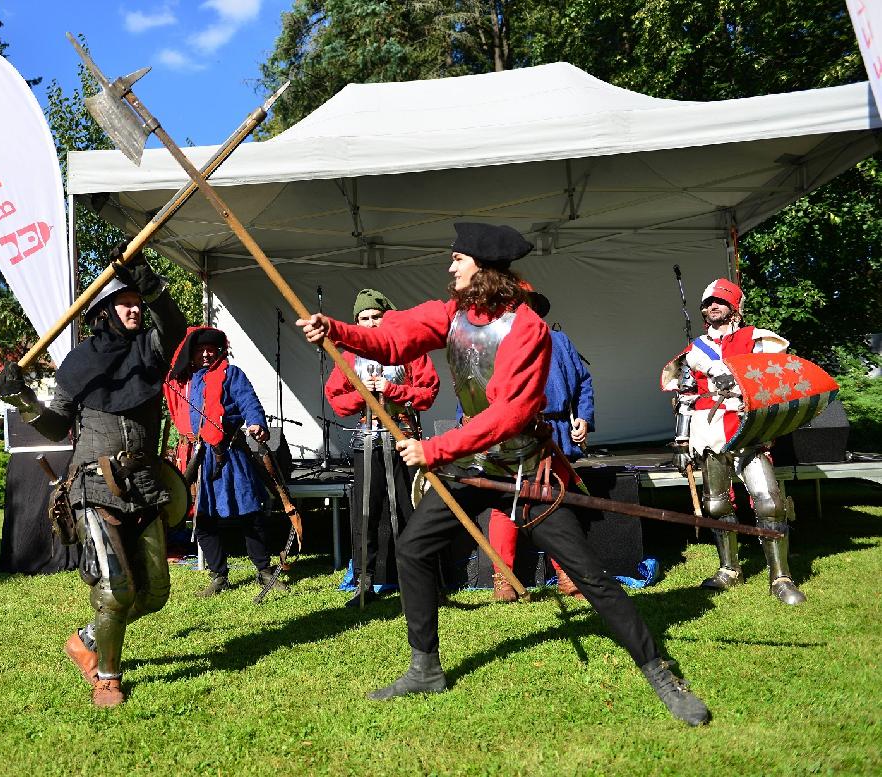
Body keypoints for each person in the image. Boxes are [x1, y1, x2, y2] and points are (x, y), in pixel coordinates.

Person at [298, 223, 710, 726]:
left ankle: (658, 670)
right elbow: (391, 339)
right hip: (472, 464)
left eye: (456, 258)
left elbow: (510, 415)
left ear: (483, 266)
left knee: (588, 575)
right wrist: (336, 331)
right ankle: (425, 667)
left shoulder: (527, 329)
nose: (449, 267)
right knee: (414, 548)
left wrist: (435, 448)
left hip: (523, 468)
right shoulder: (453, 313)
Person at [0, 255, 186, 708]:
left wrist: (150, 284)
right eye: (125, 303)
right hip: (93, 485)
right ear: (104, 312)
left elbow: (174, 326)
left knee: (155, 592)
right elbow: (54, 424)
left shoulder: (151, 352)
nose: (134, 309)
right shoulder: (77, 364)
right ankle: (107, 677)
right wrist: (21, 397)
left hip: (144, 481)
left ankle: (85, 639)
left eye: (138, 302)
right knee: (115, 589)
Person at [662, 278, 804, 605]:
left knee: (769, 501)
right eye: (707, 302)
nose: (713, 306)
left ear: (734, 307)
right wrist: (682, 443)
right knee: (717, 503)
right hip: (709, 432)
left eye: (720, 301)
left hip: (748, 429)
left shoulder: (756, 340)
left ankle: (780, 577)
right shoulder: (694, 349)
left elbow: (777, 380)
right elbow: (685, 398)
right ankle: (729, 569)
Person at [324, 288, 439, 607]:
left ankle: (421, 582)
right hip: (368, 440)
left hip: (404, 440)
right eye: (365, 318)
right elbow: (336, 398)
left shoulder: (410, 349)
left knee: (411, 511)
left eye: (377, 316)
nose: (372, 323)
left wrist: (393, 389)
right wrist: (363, 394)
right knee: (366, 513)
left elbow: (427, 392)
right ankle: (365, 582)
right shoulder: (349, 354)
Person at [487, 286, 594, 602]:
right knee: (505, 504)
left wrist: (584, 417)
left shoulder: (559, 341)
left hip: (554, 430)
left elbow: (583, 382)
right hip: (509, 432)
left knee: (556, 500)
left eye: (523, 305)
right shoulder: (490, 345)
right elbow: (472, 390)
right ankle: (503, 578)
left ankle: (567, 574)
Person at [164, 326, 283, 597]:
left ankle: (264, 572)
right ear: (191, 353)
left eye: (211, 349)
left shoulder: (232, 374)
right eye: (200, 349)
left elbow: (248, 402)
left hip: (230, 453)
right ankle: (219, 576)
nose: (206, 354)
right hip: (199, 456)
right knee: (203, 520)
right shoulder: (183, 380)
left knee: (249, 513)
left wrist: (256, 423)